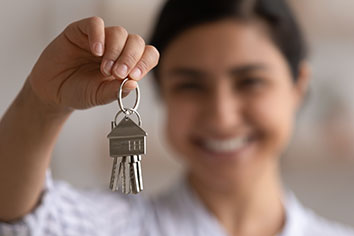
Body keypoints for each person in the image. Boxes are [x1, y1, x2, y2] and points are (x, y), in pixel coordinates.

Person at [0, 0, 353, 235]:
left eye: (251, 82)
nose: (221, 116)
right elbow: (20, 217)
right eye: (190, 85)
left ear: (298, 87)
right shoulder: (116, 227)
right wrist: (42, 101)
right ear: (161, 91)